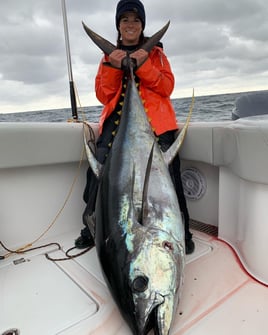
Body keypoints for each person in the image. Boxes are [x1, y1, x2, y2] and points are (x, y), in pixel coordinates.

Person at [75, 0, 195, 254]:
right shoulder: (107, 58)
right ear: (118, 26)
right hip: (117, 125)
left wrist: (144, 64)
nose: (130, 24)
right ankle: (91, 227)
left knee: (170, 178)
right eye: (125, 20)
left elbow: (166, 87)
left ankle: (183, 232)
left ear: (142, 25)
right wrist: (114, 66)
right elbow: (103, 95)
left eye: (136, 20)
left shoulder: (157, 55)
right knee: (96, 173)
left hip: (158, 125)